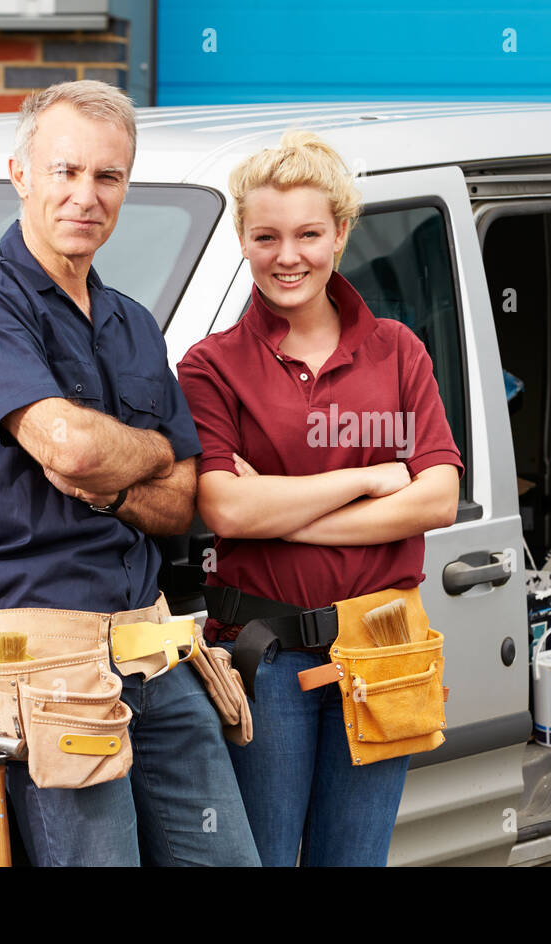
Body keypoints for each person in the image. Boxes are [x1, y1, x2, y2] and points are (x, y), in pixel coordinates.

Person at [0, 80, 259, 867]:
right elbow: (69, 448)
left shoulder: (131, 322)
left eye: (108, 177)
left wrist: (120, 467)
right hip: (44, 656)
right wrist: (144, 450)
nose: (85, 195)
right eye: (65, 171)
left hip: (152, 645)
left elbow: (181, 500)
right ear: (20, 173)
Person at [177, 129, 462, 866]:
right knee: (262, 859)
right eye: (266, 235)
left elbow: (436, 497)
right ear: (242, 237)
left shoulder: (399, 350)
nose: (288, 255)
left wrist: (279, 509)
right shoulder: (211, 367)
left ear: (339, 233)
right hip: (264, 657)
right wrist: (365, 479)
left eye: (308, 233)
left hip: (383, 647)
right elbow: (226, 511)